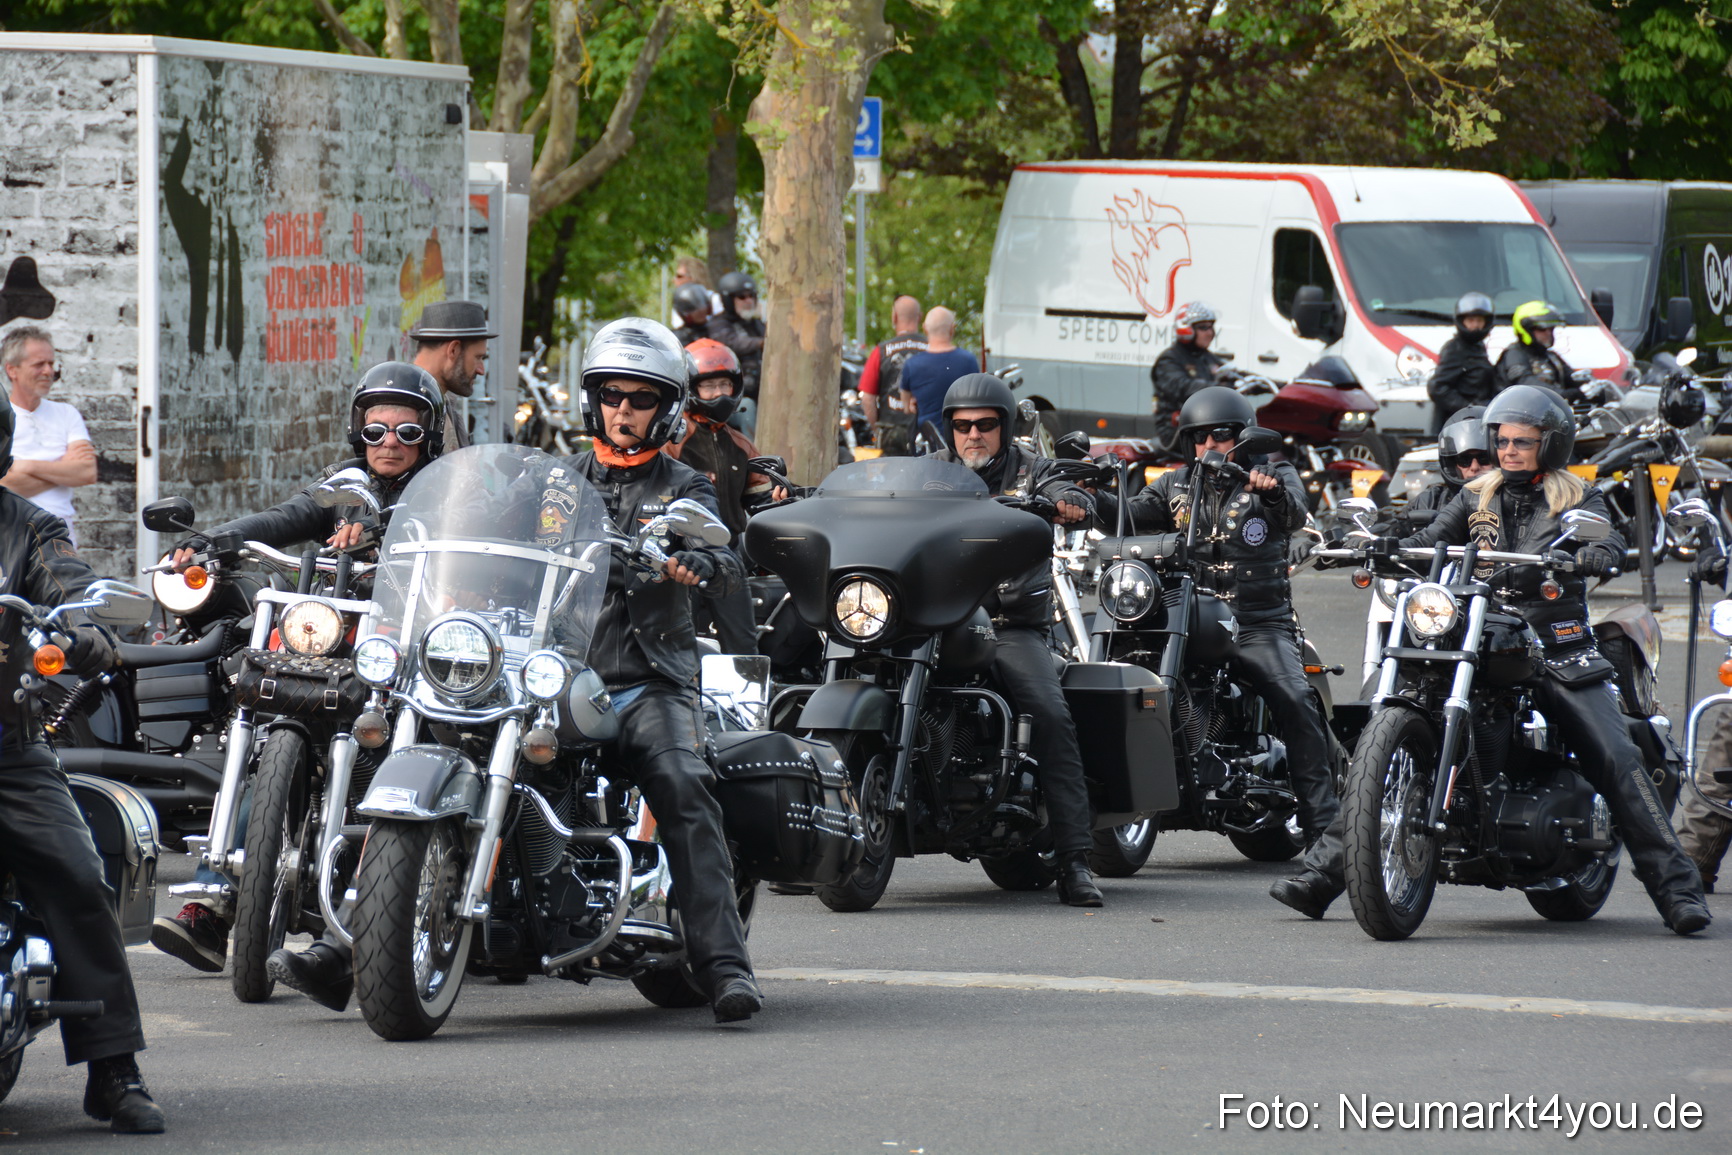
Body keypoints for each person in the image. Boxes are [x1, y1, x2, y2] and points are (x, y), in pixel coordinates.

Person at [151, 364, 444, 977]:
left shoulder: (444, 494)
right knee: (265, 741)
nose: (389, 441)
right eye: (376, 429)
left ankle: (367, 914)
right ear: (357, 432)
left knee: (391, 778)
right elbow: (284, 518)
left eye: (407, 432)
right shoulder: (344, 485)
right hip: (332, 647)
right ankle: (218, 898)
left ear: (430, 437)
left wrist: (384, 530)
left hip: (409, 659)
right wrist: (218, 541)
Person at [1401, 384, 1710, 935]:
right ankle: (1334, 870)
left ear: (1552, 444)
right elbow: (1428, 536)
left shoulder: (1577, 497)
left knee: (1616, 757)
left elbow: (1610, 543)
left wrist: (1595, 553)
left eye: (1524, 441)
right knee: (1394, 717)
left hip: (1558, 646)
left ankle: (1678, 889)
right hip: (1484, 637)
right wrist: (1378, 539)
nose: (1509, 450)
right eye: (1503, 439)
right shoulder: (1477, 496)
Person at [567, 316, 763, 1021]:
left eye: (640, 397)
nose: (623, 409)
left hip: (647, 679)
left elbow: (723, 557)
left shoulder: (687, 483)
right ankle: (358, 942)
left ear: (667, 407)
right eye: (611, 395)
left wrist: (697, 561)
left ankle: (724, 964)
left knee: (683, 780)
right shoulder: (560, 482)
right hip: (557, 676)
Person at [0, 389, 166, 1133]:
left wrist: (81, 626)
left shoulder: (27, 527)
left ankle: (112, 1067)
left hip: (6, 745)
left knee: (74, 870)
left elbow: (70, 586)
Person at [1125, 386, 1345, 919]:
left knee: (1295, 700)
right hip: (1187, 619)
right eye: (1199, 437)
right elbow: (1126, 513)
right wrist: (1082, 496)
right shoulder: (1176, 486)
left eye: (1220, 434)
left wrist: (1269, 494)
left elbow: (1294, 513)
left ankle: (1328, 853)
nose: (1210, 445)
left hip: (1257, 624)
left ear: (1242, 437)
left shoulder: (1273, 475)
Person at [926, 373, 1104, 906]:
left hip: (1007, 625)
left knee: (1049, 713)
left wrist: (1071, 501)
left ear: (1004, 426)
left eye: (984, 425)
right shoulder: (931, 474)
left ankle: (1075, 860)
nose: (973, 435)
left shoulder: (1033, 471)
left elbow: (1067, 493)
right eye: (962, 426)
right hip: (934, 619)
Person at [665, 339, 769, 654]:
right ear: (690, 388)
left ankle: (745, 702)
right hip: (679, 559)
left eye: (725, 384)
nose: (719, 393)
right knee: (679, 644)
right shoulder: (672, 438)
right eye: (709, 386)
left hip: (727, 558)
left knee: (743, 647)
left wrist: (780, 497)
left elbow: (761, 500)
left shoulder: (741, 444)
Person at [0, 325, 97, 546]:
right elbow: (4, 484)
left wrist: (24, 466)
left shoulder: (66, 413)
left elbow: (86, 472)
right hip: (8, 537)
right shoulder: (2, 417)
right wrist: (61, 469)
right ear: (12, 370)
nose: (48, 371)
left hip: (60, 536)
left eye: (51, 363)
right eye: (38, 364)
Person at [408, 299, 495, 450]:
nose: (481, 370)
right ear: (453, 350)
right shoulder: (404, 411)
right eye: (478, 357)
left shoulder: (441, 404)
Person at [1399, 405, 1494, 529]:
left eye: (1484, 458)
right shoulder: (1430, 501)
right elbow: (1390, 533)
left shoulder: (1515, 500)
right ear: (1452, 464)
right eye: (1464, 460)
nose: (1474, 467)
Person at [1150, 301, 1225, 451]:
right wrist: (1219, 387)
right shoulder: (1169, 359)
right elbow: (1183, 386)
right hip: (1177, 431)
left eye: (1211, 327)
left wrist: (1278, 385)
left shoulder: (1207, 358)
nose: (1210, 332)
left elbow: (1231, 373)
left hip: (1203, 427)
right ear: (1186, 328)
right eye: (1204, 327)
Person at [857, 295, 925, 454]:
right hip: (925, 434)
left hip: (891, 434)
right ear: (919, 317)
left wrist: (878, 428)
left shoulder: (880, 351)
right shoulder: (933, 349)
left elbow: (867, 399)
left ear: (894, 317)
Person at [1427, 292, 1497, 435]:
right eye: (1471, 320)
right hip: (1459, 427)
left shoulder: (1478, 347)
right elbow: (1437, 387)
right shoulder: (1455, 349)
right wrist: (1468, 408)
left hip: (1477, 423)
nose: (1476, 325)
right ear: (1462, 321)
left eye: (1479, 320)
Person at [900, 307, 980, 430]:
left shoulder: (912, 365)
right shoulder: (969, 361)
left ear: (925, 329)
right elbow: (977, 400)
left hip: (929, 442)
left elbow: (906, 408)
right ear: (952, 329)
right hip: (961, 438)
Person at [1496, 301, 1582, 402]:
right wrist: (1560, 393)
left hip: (1549, 409)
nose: (1548, 333)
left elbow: (1571, 377)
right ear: (1527, 329)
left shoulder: (1550, 356)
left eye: (1551, 329)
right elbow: (1526, 383)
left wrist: (1588, 387)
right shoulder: (1514, 354)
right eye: (1542, 329)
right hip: (1520, 411)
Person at [712, 271, 766, 400]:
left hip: (763, 389)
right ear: (728, 300)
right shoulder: (718, 323)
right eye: (742, 297)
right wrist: (761, 343)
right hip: (738, 395)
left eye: (751, 296)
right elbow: (730, 343)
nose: (749, 301)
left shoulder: (756, 323)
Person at [670, 256, 724, 330]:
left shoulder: (714, 299)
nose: (674, 280)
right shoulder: (679, 303)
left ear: (693, 277)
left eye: (679, 276)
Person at [672, 282, 721, 346]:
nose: (701, 310)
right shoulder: (678, 338)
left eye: (703, 303)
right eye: (691, 308)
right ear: (684, 312)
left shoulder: (719, 329)